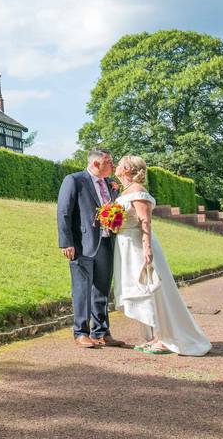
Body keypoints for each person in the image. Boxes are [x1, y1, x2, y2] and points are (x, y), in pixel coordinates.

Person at [111, 155, 212, 356]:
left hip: (138, 245)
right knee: (143, 288)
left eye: (120, 163)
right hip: (126, 244)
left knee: (150, 288)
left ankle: (165, 339)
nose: (117, 165)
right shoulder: (127, 191)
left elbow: (145, 222)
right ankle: (157, 336)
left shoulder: (138, 192)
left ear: (128, 169)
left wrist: (147, 248)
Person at [57, 149, 125, 348]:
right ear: (96, 164)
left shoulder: (110, 184)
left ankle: (102, 332)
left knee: (102, 289)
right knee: (82, 289)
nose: (112, 166)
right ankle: (81, 332)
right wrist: (66, 242)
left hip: (106, 242)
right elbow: (63, 212)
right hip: (81, 245)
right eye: (109, 162)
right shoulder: (75, 180)